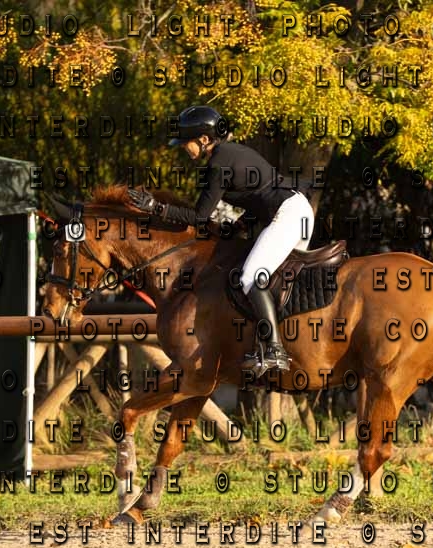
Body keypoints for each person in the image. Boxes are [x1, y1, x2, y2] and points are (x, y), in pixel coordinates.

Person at [127, 105, 314, 378]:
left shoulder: (219, 163)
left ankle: (274, 350)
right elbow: (259, 197)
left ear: (204, 139)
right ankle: (283, 342)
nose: (183, 148)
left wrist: (156, 207)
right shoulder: (230, 153)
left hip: (288, 214)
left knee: (251, 277)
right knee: (277, 283)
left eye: (186, 142)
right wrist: (238, 226)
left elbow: (198, 217)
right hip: (294, 211)